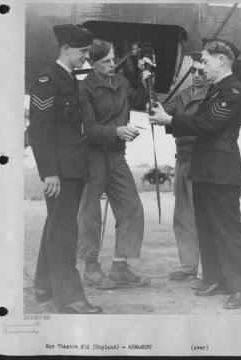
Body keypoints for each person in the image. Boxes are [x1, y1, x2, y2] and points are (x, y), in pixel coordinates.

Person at [149, 39, 241, 309]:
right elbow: (198, 120)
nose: (202, 67)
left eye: (205, 61)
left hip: (221, 169)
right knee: (205, 227)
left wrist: (171, 121)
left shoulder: (234, 91)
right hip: (205, 167)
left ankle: (239, 287)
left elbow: (208, 123)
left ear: (222, 60)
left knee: (228, 228)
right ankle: (216, 279)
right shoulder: (216, 91)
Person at [28, 24, 102, 314]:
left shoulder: (68, 78)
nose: (86, 57)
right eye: (83, 51)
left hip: (71, 167)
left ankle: (45, 286)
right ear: (66, 49)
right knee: (64, 232)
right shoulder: (48, 80)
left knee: (55, 226)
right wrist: (50, 172)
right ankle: (69, 298)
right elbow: (39, 130)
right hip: (60, 171)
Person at [77, 39, 151, 289]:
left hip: (117, 156)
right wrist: (116, 131)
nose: (111, 65)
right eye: (105, 61)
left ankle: (120, 267)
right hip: (92, 156)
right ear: (92, 63)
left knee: (132, 208)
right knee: (90, 214)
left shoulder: (121, 82)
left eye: (112, 59)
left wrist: (145, 77)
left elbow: (140, 101)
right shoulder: (84, 88)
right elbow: (89, 130)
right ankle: (91, 268)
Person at [163, 52, 208, 286]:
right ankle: (189, 266)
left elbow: (198, 126)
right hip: (182, 160)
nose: (197, 75)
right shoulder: (181, 96)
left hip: (201, 161)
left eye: (201, 71)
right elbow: (159, 111)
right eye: (193, 71)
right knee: (182, 216)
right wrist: (146, 82)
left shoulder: (211, 96)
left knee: (202, 216)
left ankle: (207, 270)